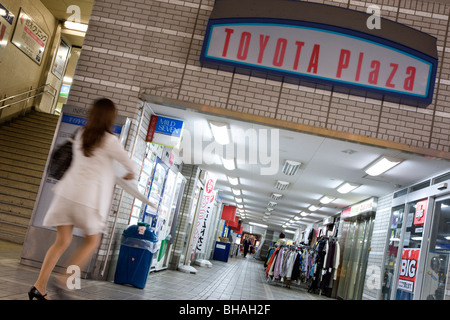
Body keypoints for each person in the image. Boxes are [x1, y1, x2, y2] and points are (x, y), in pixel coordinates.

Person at [28, 98, 136, 300]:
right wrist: (129, 174)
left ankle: (39, 287)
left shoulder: (81, 134)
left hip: (65, 196)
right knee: (92, 241)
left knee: (62, 241)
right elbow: (130, 165)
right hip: (86, 200)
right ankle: (63, 280)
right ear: (109, 118)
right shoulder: (110, 140)